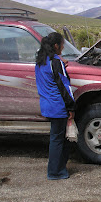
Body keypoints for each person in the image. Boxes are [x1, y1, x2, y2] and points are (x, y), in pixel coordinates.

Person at [35, 32, 75, 180]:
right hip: (58, 106)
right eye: (62, 45)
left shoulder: (41, 61)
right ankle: (56, 171)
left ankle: (57, 169)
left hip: (47, 105)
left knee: (55, 138)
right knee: (58, 140)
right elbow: (64, 87)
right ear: (56, 46)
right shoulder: (55, 62)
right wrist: (71, 107)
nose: (63, 48)